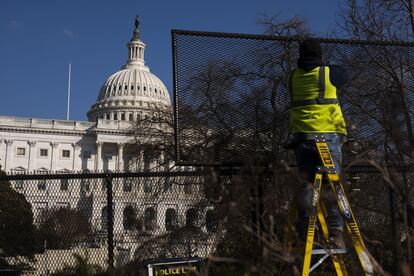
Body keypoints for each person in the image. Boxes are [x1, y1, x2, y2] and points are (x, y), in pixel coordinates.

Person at [287, 38, 349, 248]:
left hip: (302, 139)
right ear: (320, 55)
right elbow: (344, 75)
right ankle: (336, 233)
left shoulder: (292, 77)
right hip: (327, 136)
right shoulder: (327, 73)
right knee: (333, 186)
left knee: (307, 184)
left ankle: (307, 231)